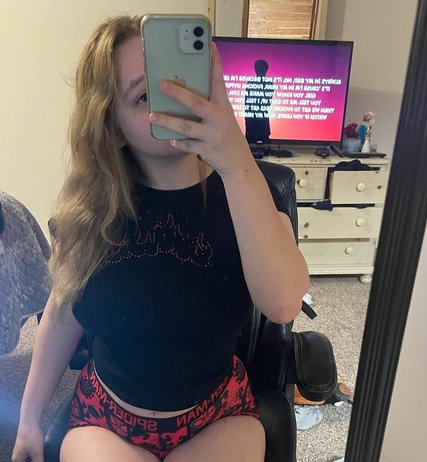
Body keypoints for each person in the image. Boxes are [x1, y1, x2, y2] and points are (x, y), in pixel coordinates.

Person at [12, 15, 309, 462]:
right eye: (145, 95)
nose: (172, 105)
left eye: (179, 84)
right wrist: (29, 420)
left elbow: (284, 303)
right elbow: (59, 316)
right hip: (107, 420)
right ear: (113, 125)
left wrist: (235, 158)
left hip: (217, 415)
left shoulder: (245, 189)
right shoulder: (91, 210)